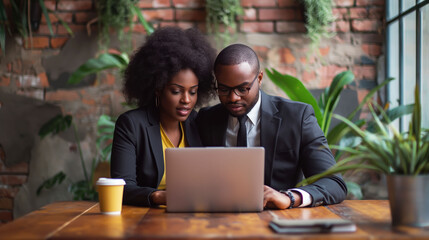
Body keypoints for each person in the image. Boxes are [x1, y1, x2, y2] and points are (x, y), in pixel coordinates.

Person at [196, 44, 347, 209]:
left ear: (259, 79)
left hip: (277, 220)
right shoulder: (205, 120)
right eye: (224, 89)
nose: (233, 98)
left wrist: (290, 197)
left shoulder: (297, 118)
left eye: (243, 89)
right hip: (218, 219)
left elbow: (334, 183)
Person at [110, 27, 216, 207]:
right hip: (146, 219)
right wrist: (159, 197)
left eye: (193, 92)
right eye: (176, 91)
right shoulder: (132, 125)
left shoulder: (199, 123)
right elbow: (123, 188)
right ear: (158, 89)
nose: (186, 100)